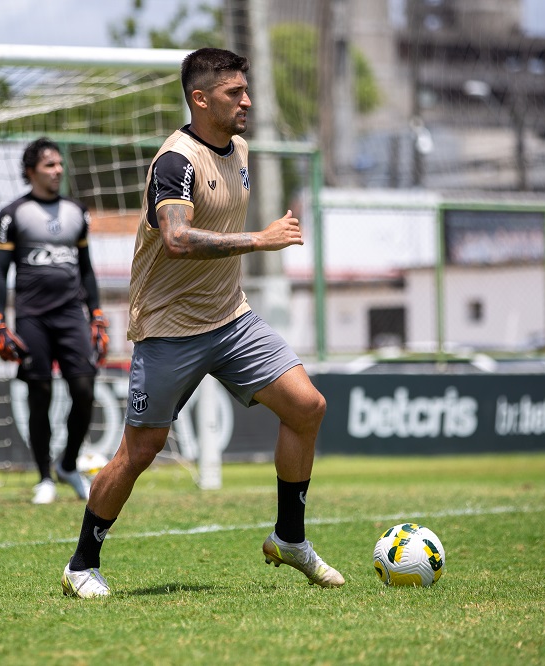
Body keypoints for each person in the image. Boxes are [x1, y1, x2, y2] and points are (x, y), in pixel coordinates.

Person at [60, 47, 344, 598]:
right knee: (139, 452)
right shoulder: (176, 162)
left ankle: (289, 537)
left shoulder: (240, 148)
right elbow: (176, 239)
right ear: (200, 99)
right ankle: (81, 564)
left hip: (231, 318)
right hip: (169, 329)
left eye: (246, 90)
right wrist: (259, 240)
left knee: (307, 406)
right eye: (234, 92)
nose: (247, 101)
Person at [0, 137, 110, 505]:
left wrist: (96, 313)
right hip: (32, 317)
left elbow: (86, 269)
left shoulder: (77, 212)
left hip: (72, 315)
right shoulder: (12, 215)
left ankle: (69, 464)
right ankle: (44, 478)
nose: (58, 170)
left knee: (85, 390)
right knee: (39, 394)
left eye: (59, 164)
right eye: (49, 165)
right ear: (31, 172)